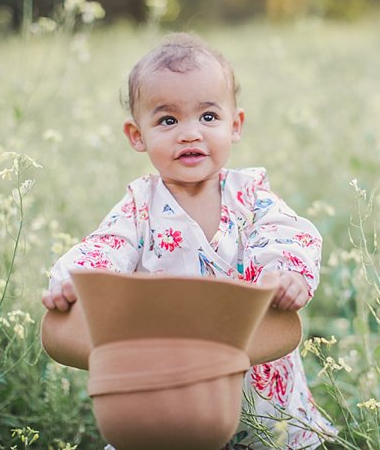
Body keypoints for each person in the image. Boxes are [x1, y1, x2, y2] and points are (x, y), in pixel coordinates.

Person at [42, 32, 335, 449]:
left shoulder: (250, 194)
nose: (190, 134)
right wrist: (79, 282)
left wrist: (285, 272)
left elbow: (287, 232)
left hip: (260, 387)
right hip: (172, 388)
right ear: (136, 135)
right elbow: (105, 247)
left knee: (271, 440)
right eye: (167, 120)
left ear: (235, 126)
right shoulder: (139, 207)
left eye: (208, 117)